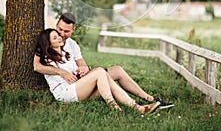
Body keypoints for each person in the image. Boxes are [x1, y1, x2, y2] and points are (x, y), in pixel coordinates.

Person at [33, 12, 174, 109]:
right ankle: (126, 106)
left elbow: (84, 67)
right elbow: (37, 66)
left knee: (117, 70)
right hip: (69, 88)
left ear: (73, 30)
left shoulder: (72, 45)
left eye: (66, 32)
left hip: (78, 81)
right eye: (60, 29)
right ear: (57, 24)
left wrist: (83, 70)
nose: (62, 35)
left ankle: (148, 99)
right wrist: (61, 72)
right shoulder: (47, 40)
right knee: (101, 73)